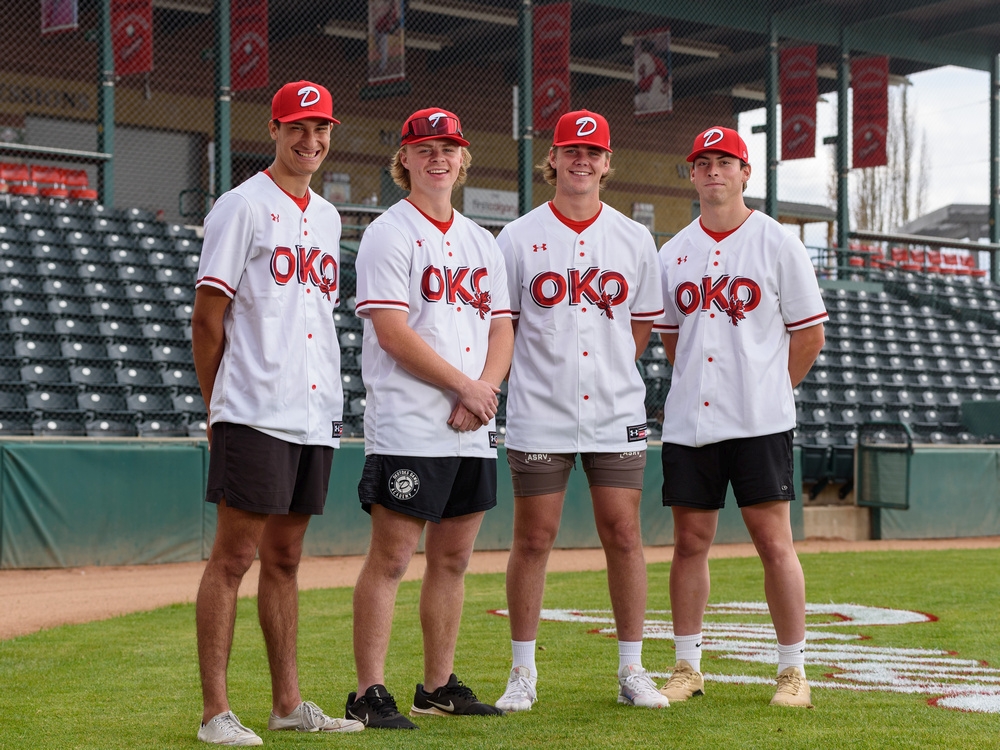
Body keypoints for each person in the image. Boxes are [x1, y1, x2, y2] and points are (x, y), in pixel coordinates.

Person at [192, 80, 364, 745]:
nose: (311, 141)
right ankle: (215, 713)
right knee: (233, 557)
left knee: (286, 558)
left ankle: (288, 703)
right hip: (253, 406)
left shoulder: (328, 216)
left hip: (313, 408)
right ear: (274, 128)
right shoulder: (240, 206)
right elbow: (208, 319)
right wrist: (218, 407)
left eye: (321, 129)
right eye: (299, 127)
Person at [346, 107, 514, 729]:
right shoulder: (389, 232)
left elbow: (501, 325)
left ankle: (438, 685)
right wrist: (466, 387)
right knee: (391, 558)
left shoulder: (481, 241)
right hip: (411, 420)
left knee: (454, 559)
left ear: (463, 159)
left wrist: (484, 390)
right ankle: (368, 692)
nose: (438, 158)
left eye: (449, 148)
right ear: (405, 160)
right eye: (425, 149)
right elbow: (391, 331)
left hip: (471, 421)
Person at [494, 110, 667, 711]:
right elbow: (503, 327)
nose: (582, 161)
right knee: (534, 537)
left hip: (615, 408)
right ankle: (522, 671)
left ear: (607, 162)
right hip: (540, 408)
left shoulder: (634, 237)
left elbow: (640, 322)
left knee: (623, 533)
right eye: (572, 151)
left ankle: (632, 668)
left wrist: (613, 367)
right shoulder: (517, 237)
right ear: (554, 159)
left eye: (593, 152)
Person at [654, 126, 827, 708]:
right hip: (691, 424)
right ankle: (686, 665)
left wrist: (767, 390)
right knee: (689, 543)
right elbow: (673, 340)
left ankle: (793, 670)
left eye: (724, 162)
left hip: (760, 423)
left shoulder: (778, 242)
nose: (712, 172)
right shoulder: (673, 251)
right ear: (693, 174)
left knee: (773, 542)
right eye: (701, 163)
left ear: (745, 172)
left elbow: (810, 335)